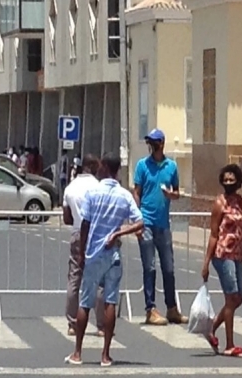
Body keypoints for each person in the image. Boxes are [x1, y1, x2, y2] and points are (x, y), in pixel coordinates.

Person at [64, 153, 144, 367]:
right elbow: (140, 222)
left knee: (85, 301)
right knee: (110, 301)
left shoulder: (93, 193)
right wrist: (118, 234)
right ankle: (105, 354)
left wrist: (82, 253)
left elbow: (85, 225)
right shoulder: (124, 195)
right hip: (113, 254)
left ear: (104, 168)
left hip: (93, 254)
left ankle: (78, 352)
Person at [201, 164, 242, 358]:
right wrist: (206, 262)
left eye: (231, 179)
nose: (228, 183)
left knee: (238, 298)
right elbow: (213, 234)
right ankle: (229, 344)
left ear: (238, 180)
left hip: (237, 256)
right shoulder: (220, 203)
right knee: (231, 297)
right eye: (225, 180)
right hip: (222, 254)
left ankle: (211, 329)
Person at [133, 128, 188, 326]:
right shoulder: (142, 165)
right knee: (149, 267)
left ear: (162, 143)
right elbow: (137, 192)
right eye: (150, 142)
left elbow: (176, 192)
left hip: (163, 224)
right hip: (146, 221)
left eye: (155, 142)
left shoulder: (171, 166)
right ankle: (150, 308)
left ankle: (172, 308)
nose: (152, 145)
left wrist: (171, 195)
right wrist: (136, 218)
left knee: (169, 268)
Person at [62, 154, 104, 337]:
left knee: (74, 279)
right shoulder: (98, 187)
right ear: (93, 166)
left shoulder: (70, 188)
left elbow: (67, 217)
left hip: (77, 233)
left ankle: (72, 324)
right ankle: (102, 325)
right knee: (99, 280)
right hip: (96, 234)